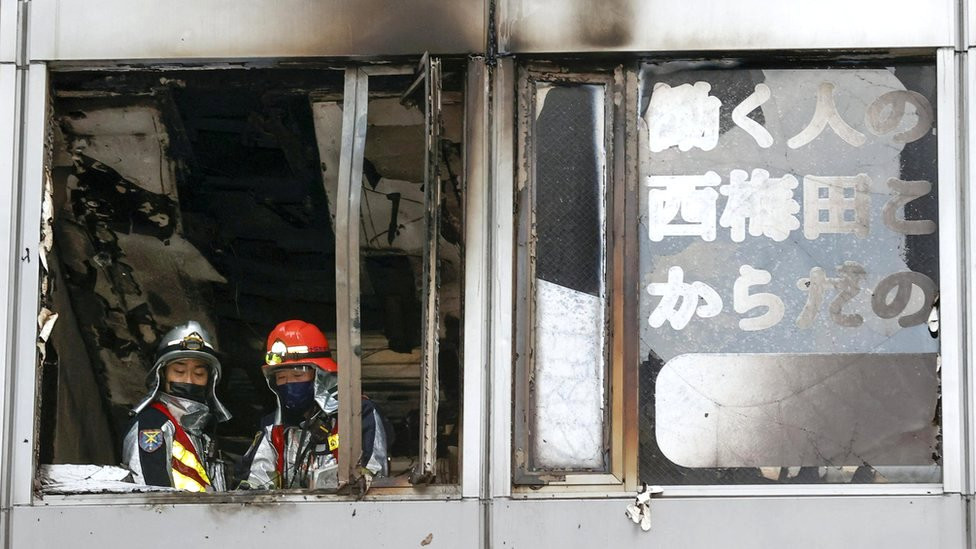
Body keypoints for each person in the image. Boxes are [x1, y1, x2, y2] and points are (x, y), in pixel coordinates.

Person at [240, 319, 389, 491]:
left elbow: (374, 478)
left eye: (297, 375)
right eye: (282, 378)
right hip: (288, 515)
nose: (289, 384)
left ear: (321, 376)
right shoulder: (274, 427)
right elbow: (255, 483)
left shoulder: (358, 414)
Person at [122, 321, 231, 492]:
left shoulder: (202, 432)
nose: (189, 380)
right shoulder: (152, 425)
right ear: (162, 375)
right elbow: (153, 500)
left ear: (210, 380)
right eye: (179, 372)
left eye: (199, 373)